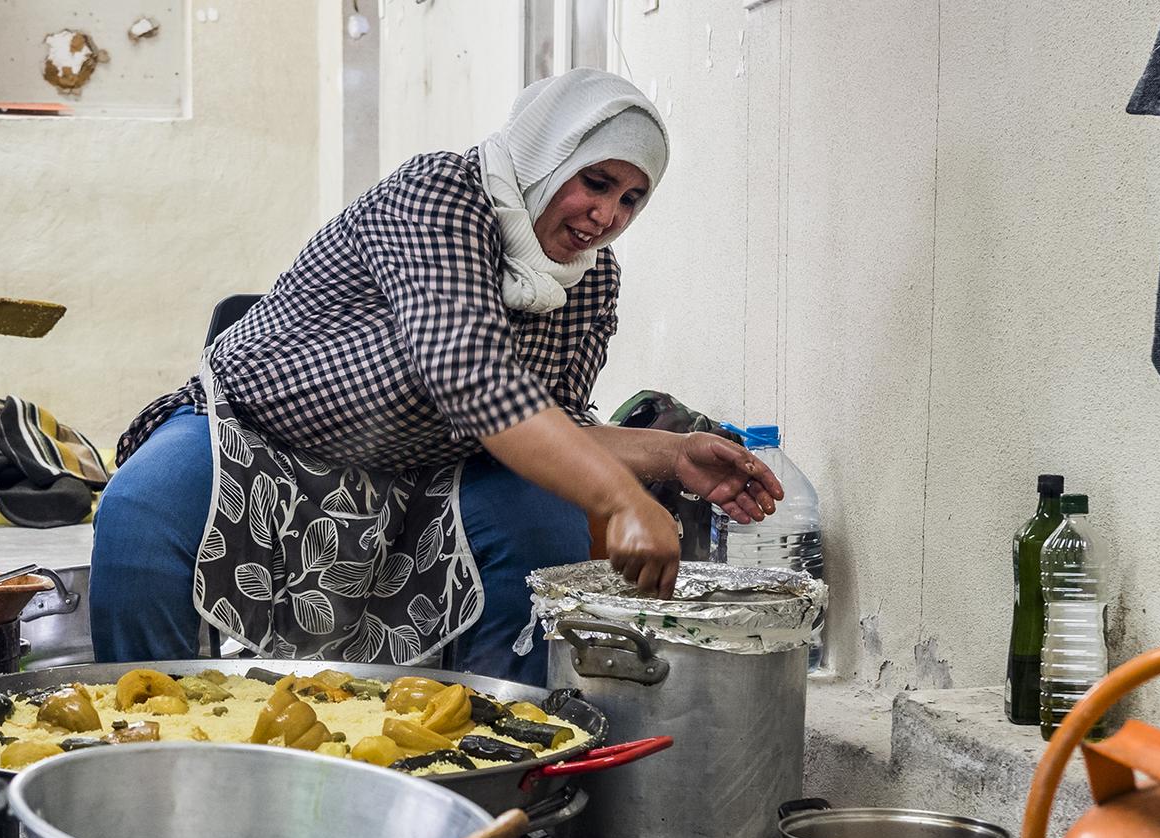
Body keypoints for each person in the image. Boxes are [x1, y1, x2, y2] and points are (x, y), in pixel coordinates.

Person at [90, 68, 782, 683]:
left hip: (427, 471)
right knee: (140, 514)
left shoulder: (588, 282)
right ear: (546, 155)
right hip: (255, 436)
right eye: (595, 182)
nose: (606, 217)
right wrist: (623, 503)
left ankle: (486, 767)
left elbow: (549, 427)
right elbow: (473, 378)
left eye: (632, 200)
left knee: (542, 523)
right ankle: (152, 755)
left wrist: (671, 455)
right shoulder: (441, 196)